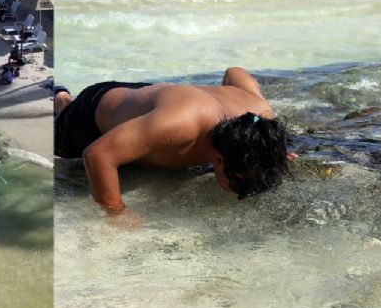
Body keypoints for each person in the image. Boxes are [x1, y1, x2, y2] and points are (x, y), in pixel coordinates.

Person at [53, 67, 296, 213]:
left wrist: (270, 150)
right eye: (242, 185)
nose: (247, 191)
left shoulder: (258, 118)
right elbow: (97, 155)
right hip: (92, 115)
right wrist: (117, 213)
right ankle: (62, 99)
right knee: (62, 137)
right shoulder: (181, 126)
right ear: (220, 160)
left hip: (151, 97)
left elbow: (235, 73)